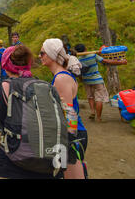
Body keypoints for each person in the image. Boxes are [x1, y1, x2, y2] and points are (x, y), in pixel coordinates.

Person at [0, 45, 61, 179]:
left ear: (5, 64)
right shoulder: (46, 86)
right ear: (29, 64)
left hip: (10, 161)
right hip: (46, 160)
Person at [40, 39, 87, 179]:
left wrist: (69, 139)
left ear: (52, 55)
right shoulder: (60, 76)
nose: (40, 56)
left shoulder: (61, 78)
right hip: (70, 135)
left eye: (42, 53)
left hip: (72, 136)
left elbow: (69, 113)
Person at [75, 43, 127, 122]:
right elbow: (105, 61)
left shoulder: (78, 59)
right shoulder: (92, 55)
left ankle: (92, 112)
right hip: (97, 80)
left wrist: (81, 79)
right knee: (99, 98)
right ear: (85, 48)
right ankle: (99, 118)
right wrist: (121, 62)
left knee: (90, 97)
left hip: (86, 80)